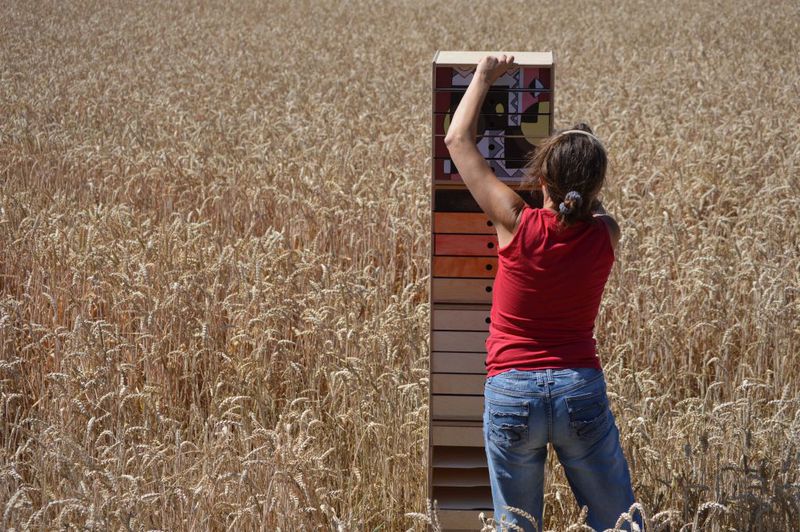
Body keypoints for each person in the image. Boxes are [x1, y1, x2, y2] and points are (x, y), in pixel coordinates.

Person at [443, 54, 641, 531]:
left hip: (511, 390)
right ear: (596, 186)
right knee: (620, 524)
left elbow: (457, 140)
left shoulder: (516, 221)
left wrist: (483, 77)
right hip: (579, 388)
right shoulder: (606, 233)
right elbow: (588, 207)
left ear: (543, 179)